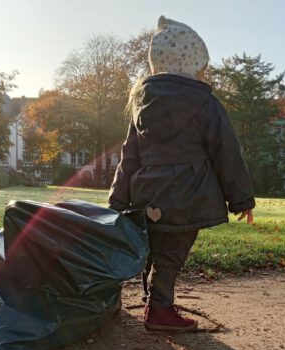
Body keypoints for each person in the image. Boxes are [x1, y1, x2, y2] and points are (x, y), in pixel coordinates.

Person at [108, 16, 255, 332]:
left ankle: (154, 303)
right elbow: (226, 152)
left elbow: (128, 157)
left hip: (146, 193)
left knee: (155, 251)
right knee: (171, 256)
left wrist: (118, 200)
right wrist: (241, 198)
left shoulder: (141, 104)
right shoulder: (205, 103)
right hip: (188, 195)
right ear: (194, 64)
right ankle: (160, 310)